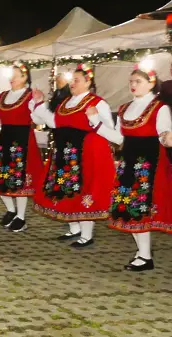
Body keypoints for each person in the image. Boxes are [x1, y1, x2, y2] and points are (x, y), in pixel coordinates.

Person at [91, 66, 172, 270]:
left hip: (148, 166)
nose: (133, 85)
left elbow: (164, 134)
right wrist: (95, 122)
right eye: (131, 81)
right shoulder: (125, 108)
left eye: (138, 81)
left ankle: (145, 257)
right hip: (128, 164)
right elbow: (119, 138)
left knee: (140, 209)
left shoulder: (159, 107)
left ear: (151, 84)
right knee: (128, 207)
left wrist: (167, 137)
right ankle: (142, 252)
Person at [31, 64, 116, 248]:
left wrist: (95, 120)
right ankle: (74, 228)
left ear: (88, 82)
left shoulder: (97, 102)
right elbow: (54, 122)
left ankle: (86, 235)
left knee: (84, 191)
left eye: (76, 80)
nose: (72, 83)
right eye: (71, 80)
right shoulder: (65, 102)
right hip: (65, 153)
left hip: (85, 155)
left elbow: (109, 129)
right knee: (66, 190)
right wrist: (39, 104)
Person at [0, 62, 44, 232]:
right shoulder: (2, 96)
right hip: (5, 139)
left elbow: (39, 119)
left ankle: (21, 217)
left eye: (16, 75)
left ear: (25, 77)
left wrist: (39, 102)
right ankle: (11, 210)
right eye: (11, 75)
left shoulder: (30, 95)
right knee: (0, 177)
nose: (12, 78)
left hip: (22, 140)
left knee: (19, 180)